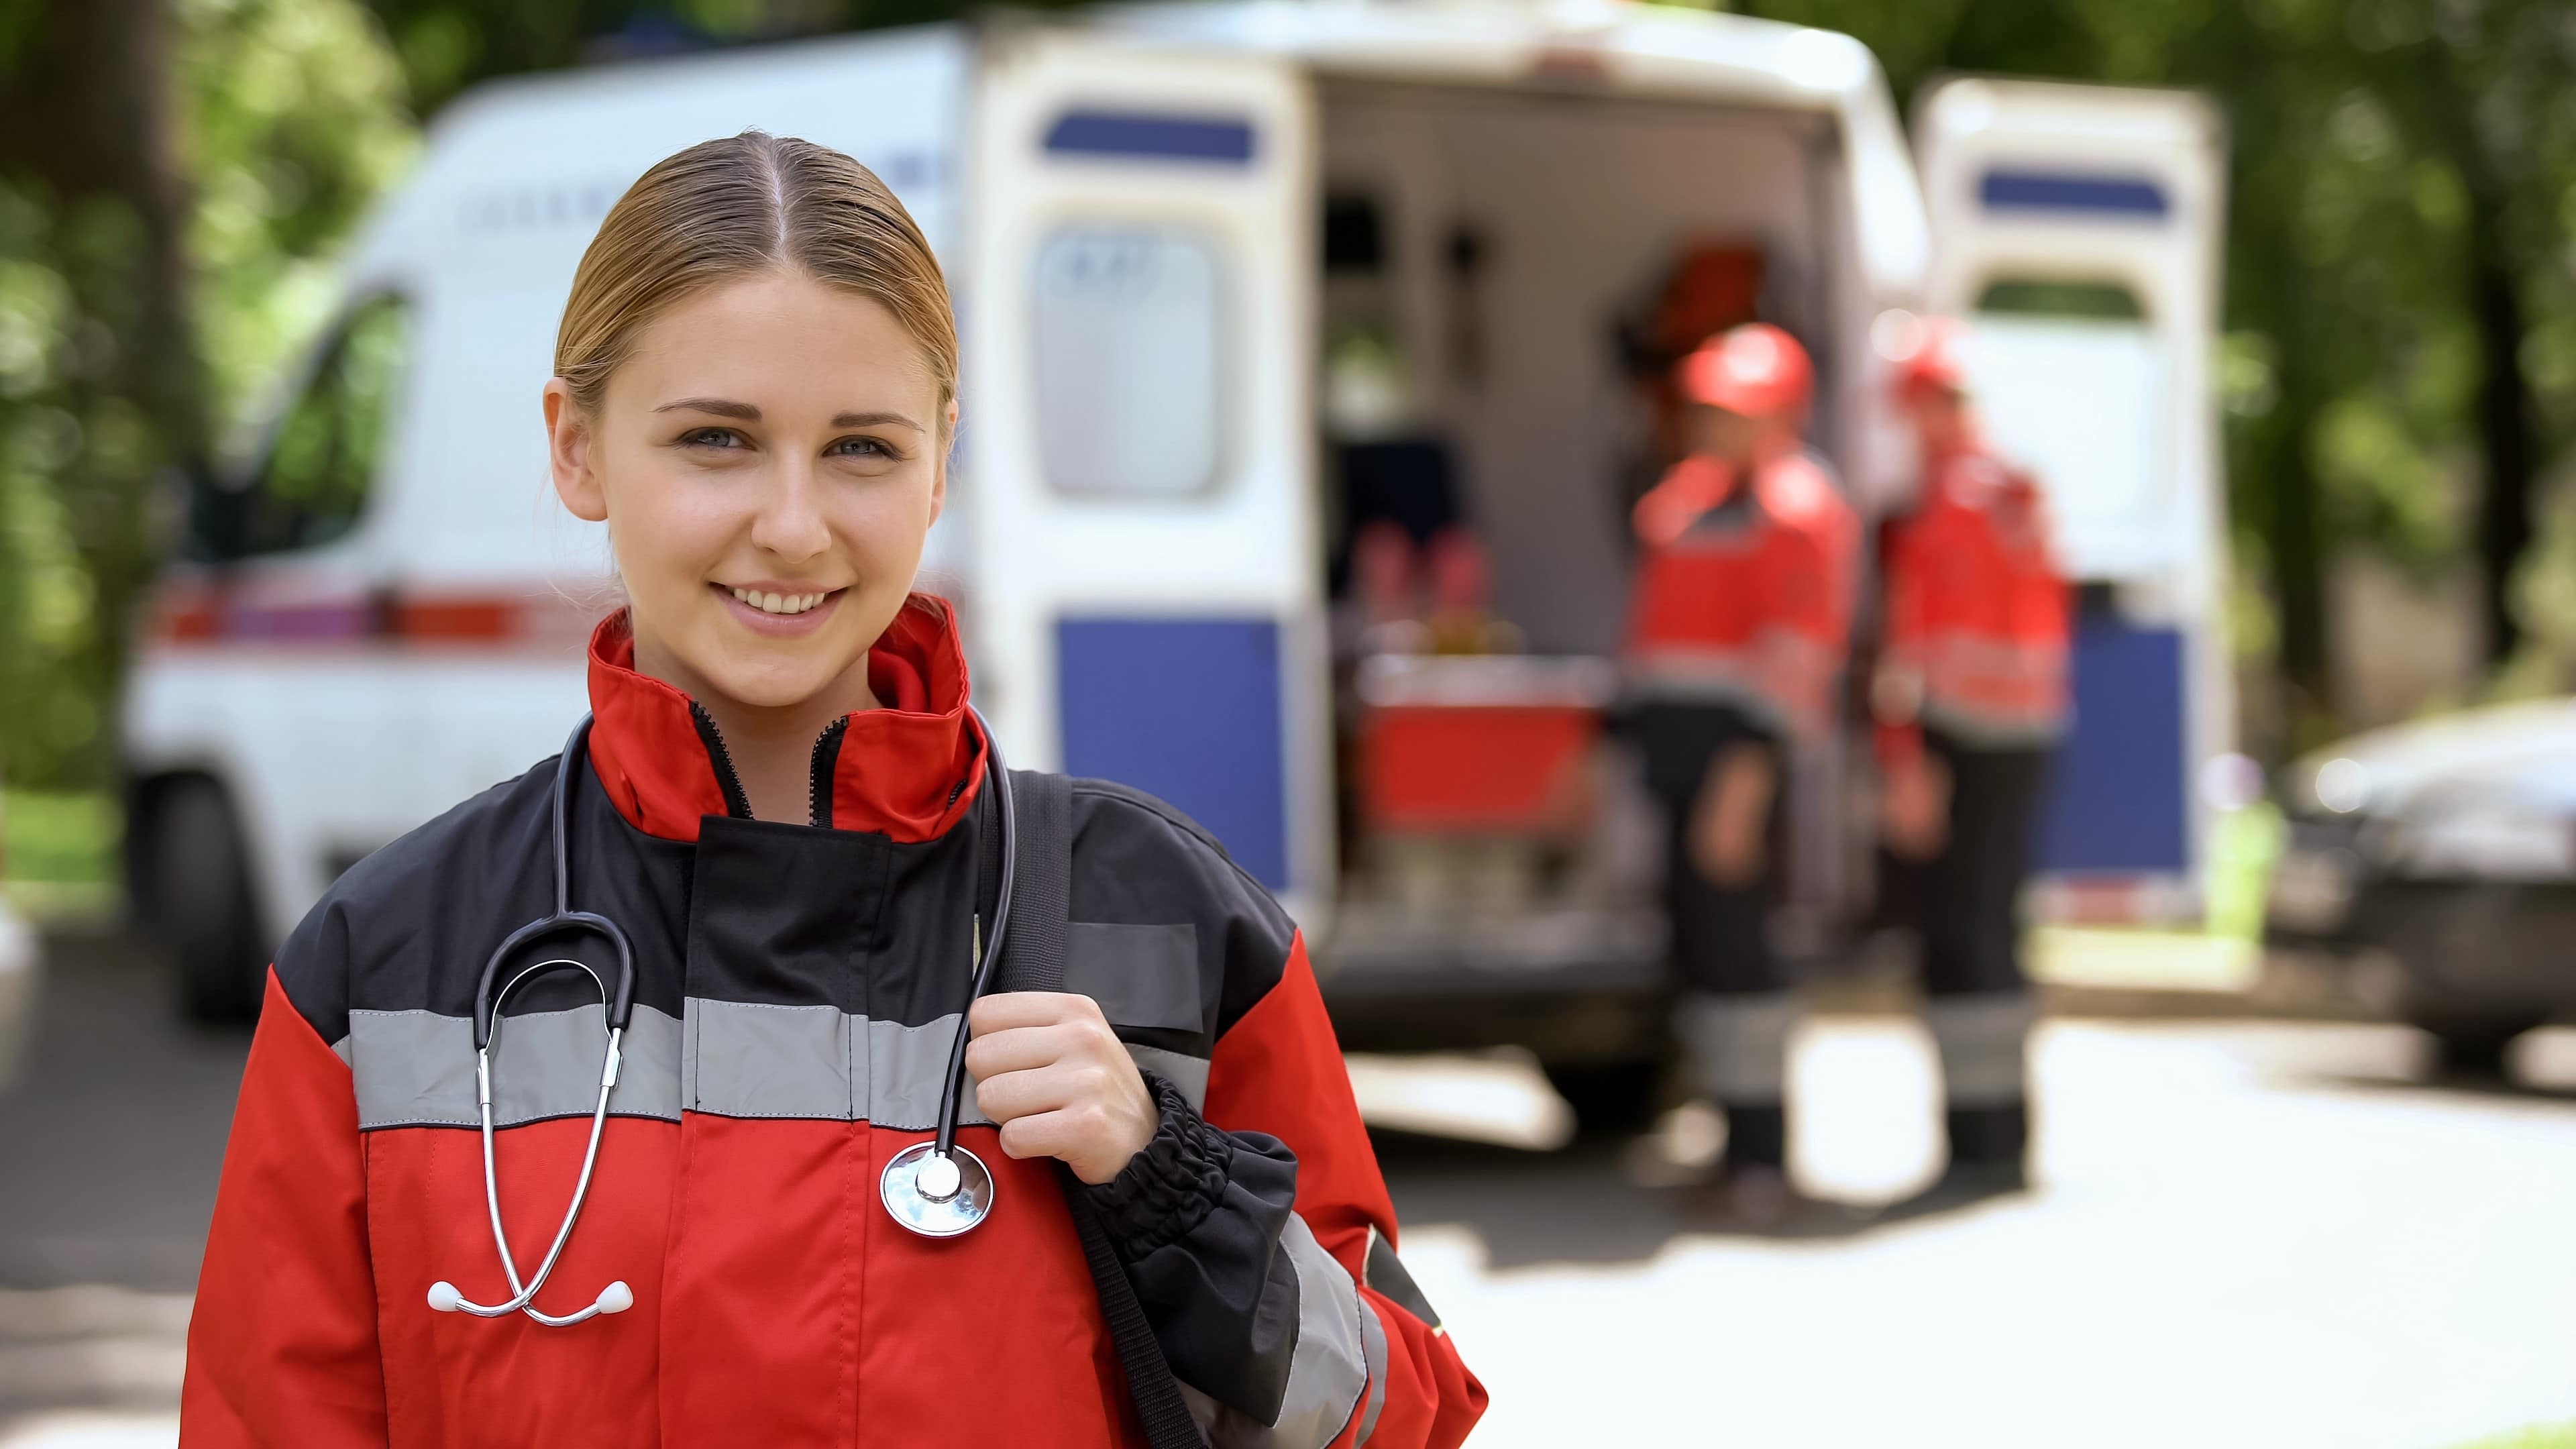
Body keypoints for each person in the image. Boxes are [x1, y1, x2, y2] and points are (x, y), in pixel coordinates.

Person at [180, 132, 1485, 1449]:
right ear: (576, 448)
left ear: (941, 460)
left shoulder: (1167, 922)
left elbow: (1402, 1421)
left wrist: (1169, 1183)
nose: (795, 525)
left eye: (861, 447)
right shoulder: (385, 962)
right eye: (717, 442)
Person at [1623, 323, 1851, 1227]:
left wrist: (1746, 784)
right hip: (1679, 762)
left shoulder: (1796, 508)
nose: (1715, 425)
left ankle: (1762, 1158)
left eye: (1735, 411)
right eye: (1709, 408)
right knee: (1702, 957)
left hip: (1735, 769)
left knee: (1742, 959)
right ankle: (1725, 1142)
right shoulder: (1687, 500)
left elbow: (1797, 659)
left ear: (1786, 414)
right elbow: (1656, 637)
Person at [1872, 316, 2072, 1205]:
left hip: (1955, 739)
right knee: (1994, 933)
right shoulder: (2016, 487)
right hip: (2024, 737)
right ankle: (1999, 1141)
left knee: (1962, 940)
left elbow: (1909, 650)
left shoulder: (1943, 504)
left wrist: (1902, 759)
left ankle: (1973, 1146)